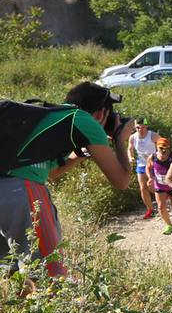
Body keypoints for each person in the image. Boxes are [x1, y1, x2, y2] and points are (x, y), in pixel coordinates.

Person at [1, 82, 132, 277]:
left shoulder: (50, 118)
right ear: (101, 113)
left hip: (7, 193)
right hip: (21, 192)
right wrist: (121, 141)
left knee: (15, 275)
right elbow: (121, 181)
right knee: (49, 276)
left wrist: (83, 152)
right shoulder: (85, 120)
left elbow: (53, 173)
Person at [146, 137, 172, 234]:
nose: (163, 150)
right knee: (161, 207)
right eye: (161, 148)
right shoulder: (152, 157)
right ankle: (169, 225)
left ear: (169, 147)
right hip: (160, 186)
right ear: (156, 147)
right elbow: (148, 167)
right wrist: (150, 177)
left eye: (165, 148)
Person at [127, 118, 159, 219]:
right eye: (138, 127)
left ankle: (167, 200)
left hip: (154, 164)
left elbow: (164, 145)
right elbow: (130, 148)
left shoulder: (153, 135)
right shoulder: (133, 137)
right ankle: (150, 210)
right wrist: (130, 157)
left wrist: (160, 157)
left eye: (143, 127)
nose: (140, 129)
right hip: (141, 164)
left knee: (154, 187)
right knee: (143, 188)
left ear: (146, 126)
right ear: (135, 127)